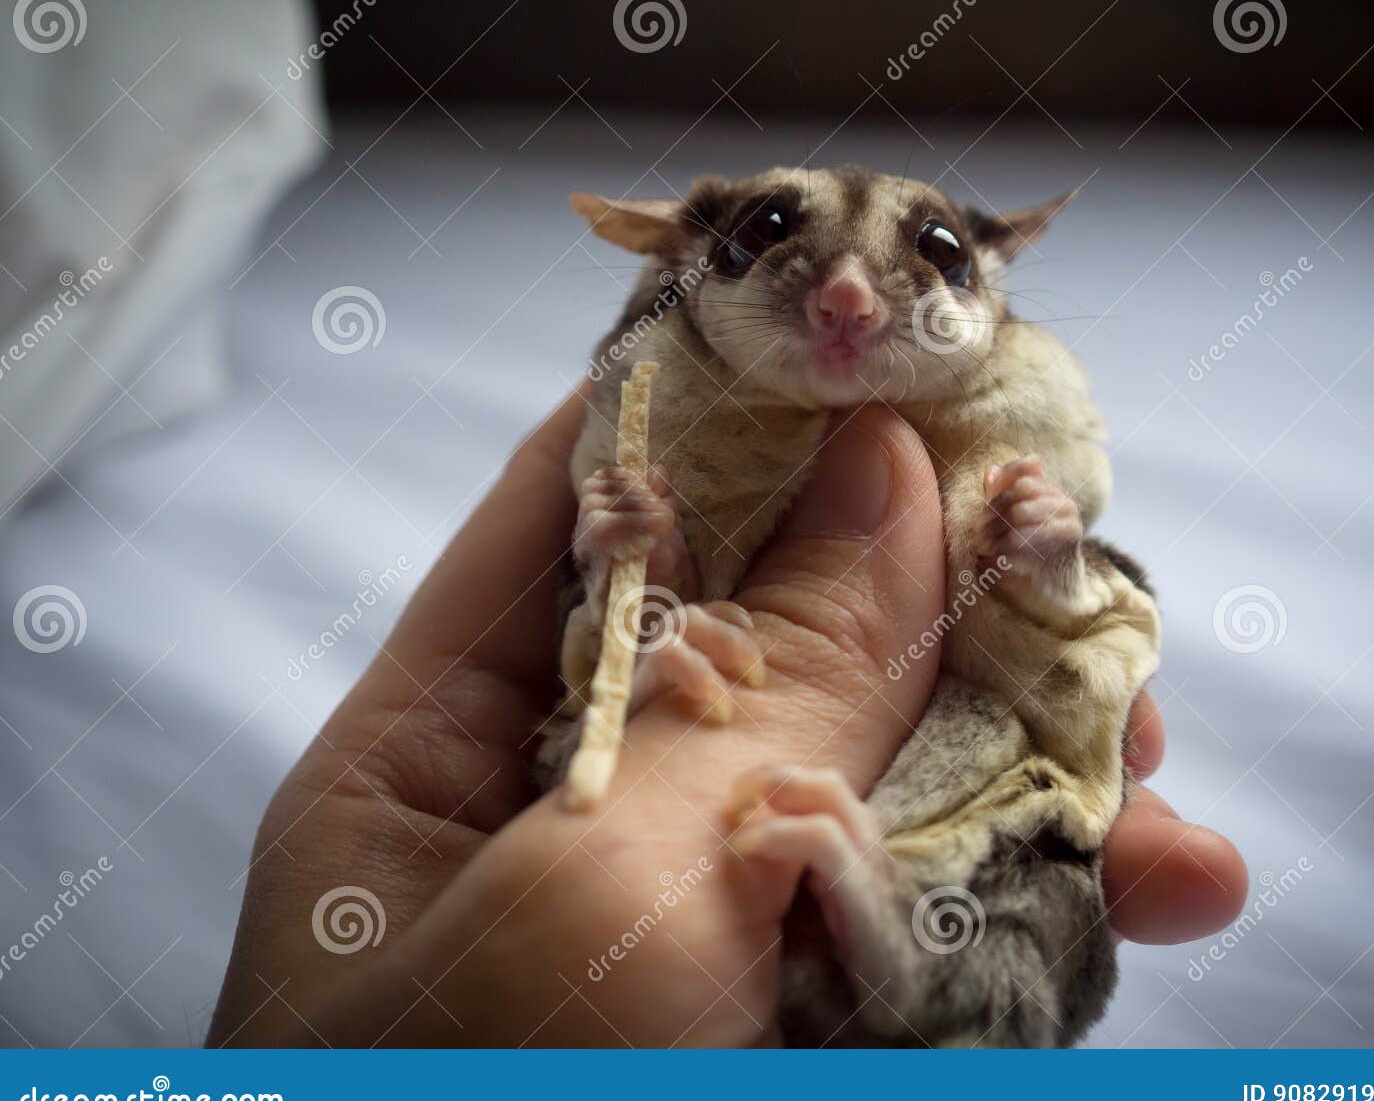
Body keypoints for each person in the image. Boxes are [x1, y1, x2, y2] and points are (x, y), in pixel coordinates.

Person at [209, 397, 1247, 1046]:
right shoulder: (703, 451)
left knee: (1049, 868)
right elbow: (594, 681)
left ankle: (889, 929)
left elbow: (1098, 641)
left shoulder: (1012, 454)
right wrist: (635, 576)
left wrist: (1051, 556)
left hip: (959, 893)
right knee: (588, 745)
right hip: (721, 954)